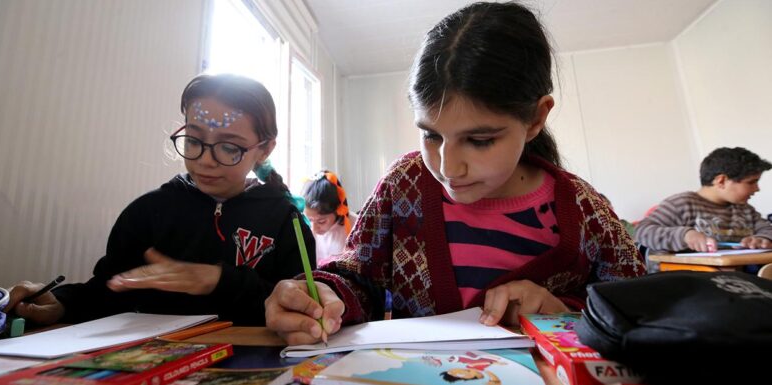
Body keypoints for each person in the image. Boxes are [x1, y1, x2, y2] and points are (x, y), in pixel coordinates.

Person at [264, 1, 645, 345]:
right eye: (431, 135)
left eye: (479, 140)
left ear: (535, 118)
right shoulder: (403, 185)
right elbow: (359, 277)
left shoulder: (586, 212)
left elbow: (640, 312)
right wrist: (326, 296)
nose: (448, 168)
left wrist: (562, 316)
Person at [4, 74, 314, 326]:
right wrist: (61, 303)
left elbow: (301, 304)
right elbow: (111, 289)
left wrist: (220, 281)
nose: (205, 161)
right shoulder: (148, 212)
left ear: (264, 149)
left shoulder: (287, 222)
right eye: (194, 141)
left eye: (229, 148)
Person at [636, 147, 772, 253]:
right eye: (751, 182)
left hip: (737, 278)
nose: (757, 189)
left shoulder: (746, 210)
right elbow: (642, 231)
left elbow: (767, 229)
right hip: (687, 281)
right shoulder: (682, 204)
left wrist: (763, 239)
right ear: (722, 181)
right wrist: (685, 236)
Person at [301, 170, 358, 265]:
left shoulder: (356, 226)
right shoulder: (308, 230)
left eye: (321, 221)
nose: (314, 228)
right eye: (309, 220)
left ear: (338, 210)